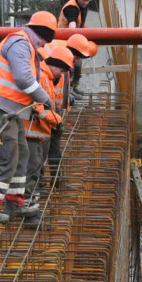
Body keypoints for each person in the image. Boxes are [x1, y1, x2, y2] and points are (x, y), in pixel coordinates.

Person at [0, 10, 58, 224]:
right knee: (8, 154)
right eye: (45, 41)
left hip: (11, 109)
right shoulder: (20, 42)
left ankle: (14, 201)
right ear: (43, 34)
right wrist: (43, 97)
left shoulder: (27, 45)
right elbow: (22, 77)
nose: (43, 46)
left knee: (21, 152)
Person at [24, 43, 75, 215]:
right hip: (31, 131)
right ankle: (29, 211)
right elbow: (37, 107)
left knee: (35, 168)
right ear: (55, 64)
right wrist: (57, 119)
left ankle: (31, 208)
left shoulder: (46, 77)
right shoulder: (41, 77)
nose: (61, 75)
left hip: (39, 131)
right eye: (61, 71)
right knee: (31, 171)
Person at [44, 34, 97, 191]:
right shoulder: (55, 54)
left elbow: (60, 83)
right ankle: (38, 189)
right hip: (45, 111)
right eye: (77, 58)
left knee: (54, 149)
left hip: (55, 110)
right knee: (39, 152)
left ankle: (57, 183)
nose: (76, 62)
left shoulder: (64, 56)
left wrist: (68, 97)